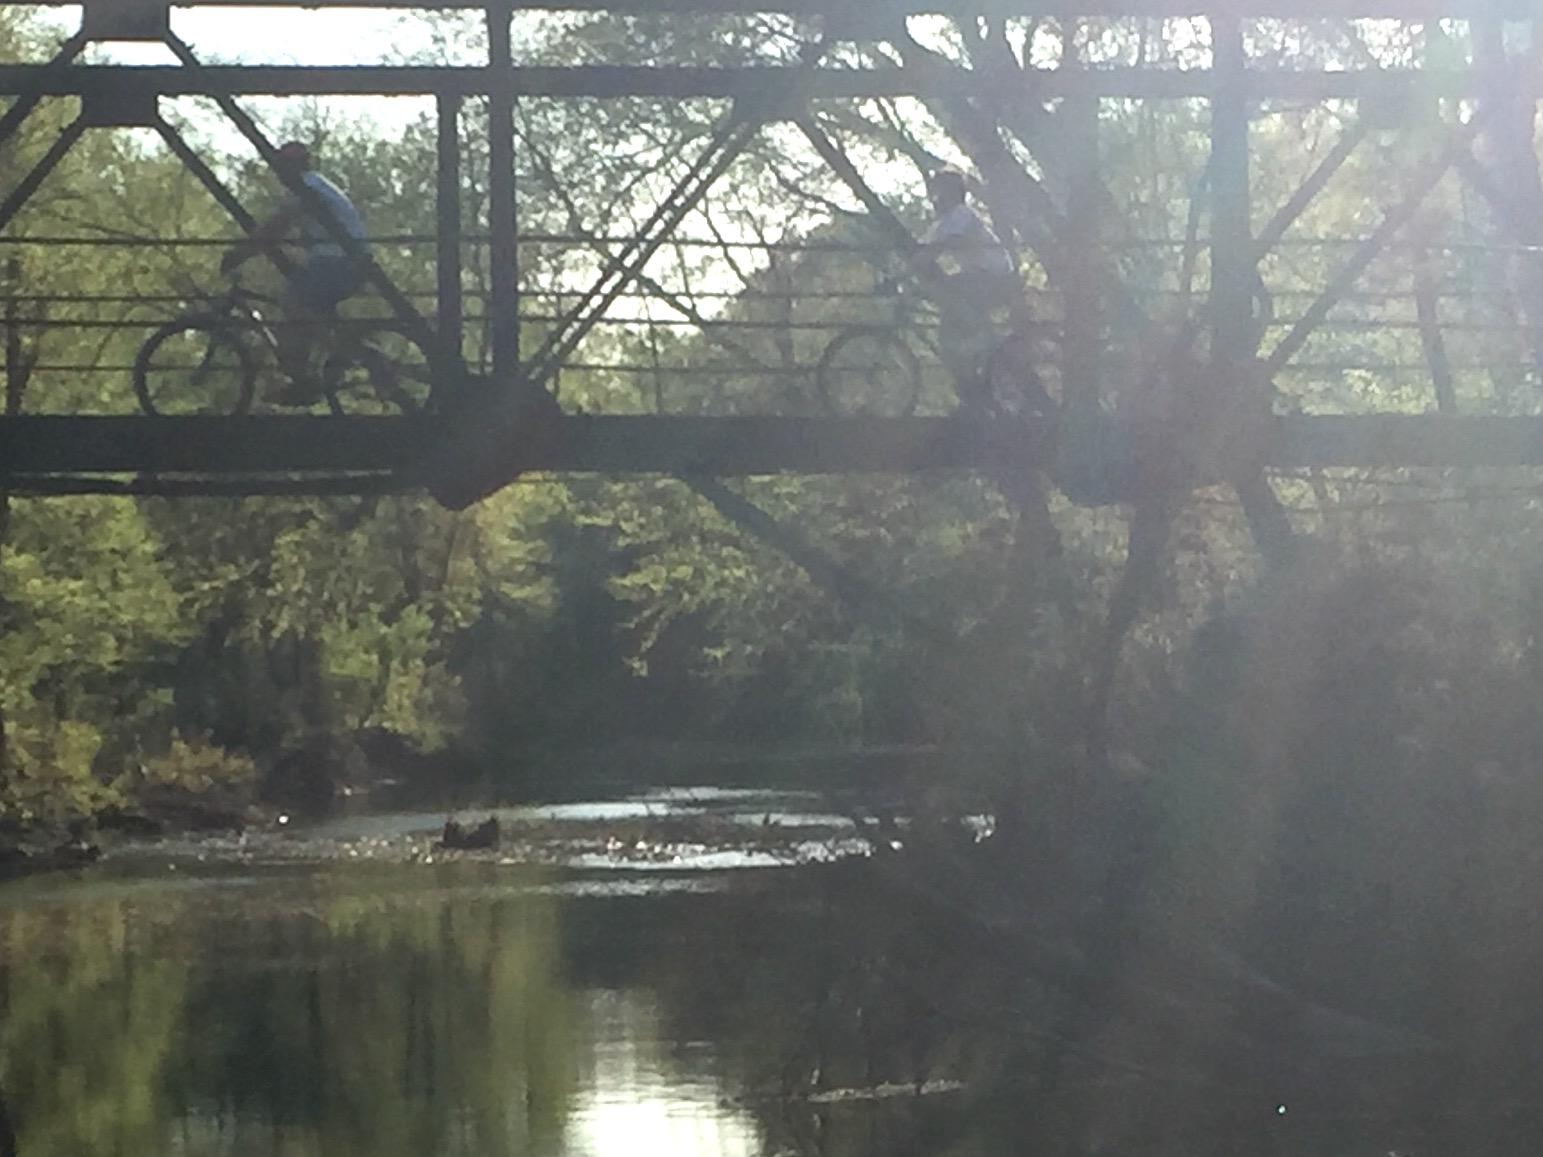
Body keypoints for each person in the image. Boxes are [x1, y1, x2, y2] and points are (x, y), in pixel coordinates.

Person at [220, 141, 369, 403]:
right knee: (302, 309)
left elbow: (274, 228)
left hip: (337, 262)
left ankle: (323, 364)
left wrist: (239, 254)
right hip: (347, 261)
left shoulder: (305, 190)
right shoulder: (316, 185)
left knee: (292, 302)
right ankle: (310, 371)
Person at [912, 168, 1021, 405]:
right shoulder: (944, 221)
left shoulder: (961, 215)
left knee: (952, 312)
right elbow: (924, 247)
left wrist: (925, 257)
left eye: (939, 192)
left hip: (993, 276)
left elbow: (952, 240)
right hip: (981, 275)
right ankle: (975, 365)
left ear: (950, 193)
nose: (935, 198)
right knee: (953, 313)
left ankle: (981, 350)